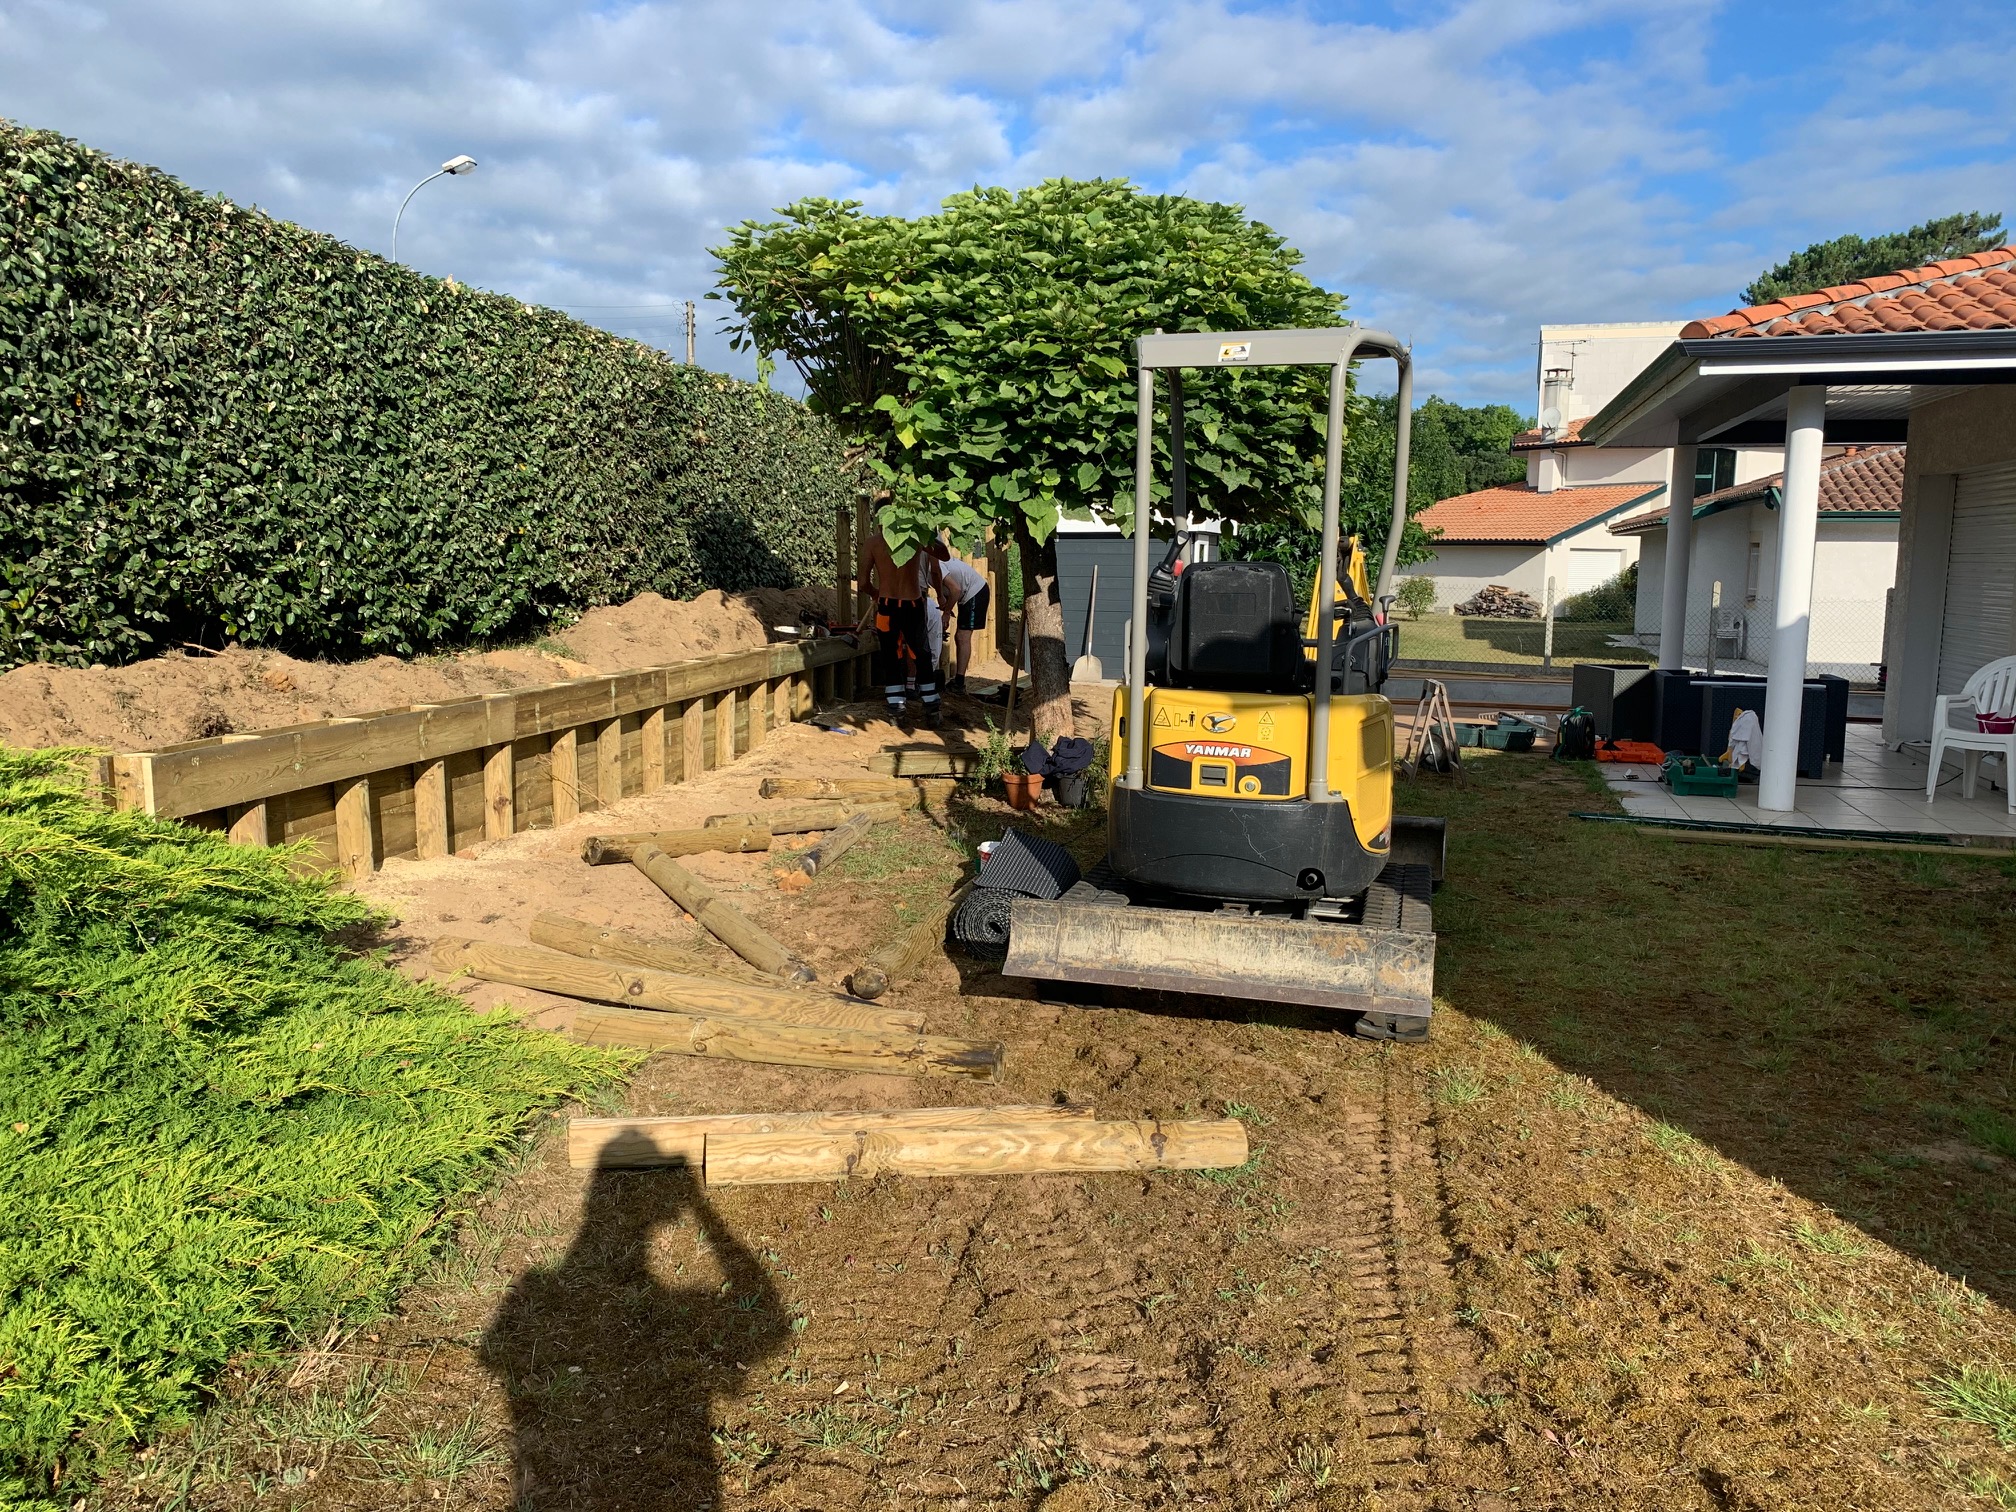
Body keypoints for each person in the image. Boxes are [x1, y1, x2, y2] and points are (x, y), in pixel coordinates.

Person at [862, 524, 942, 727]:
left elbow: (862, 582)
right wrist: (924, 535)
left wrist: (875, 593)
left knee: (891, 655)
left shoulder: (873, 542)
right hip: (913, 604)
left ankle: (896, 710)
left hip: (887, 605)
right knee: (921, 654)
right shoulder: (915, 538)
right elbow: (945, 555)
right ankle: (931, 708)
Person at [932, 541, 989, 693]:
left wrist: (945, 614)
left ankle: (959, 683)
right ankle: (959, 681)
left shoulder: (936, 565)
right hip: (965, 592)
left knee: (962, 637)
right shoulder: (926, 566)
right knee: (959, 637)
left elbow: (955, 590)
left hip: (975, 591)